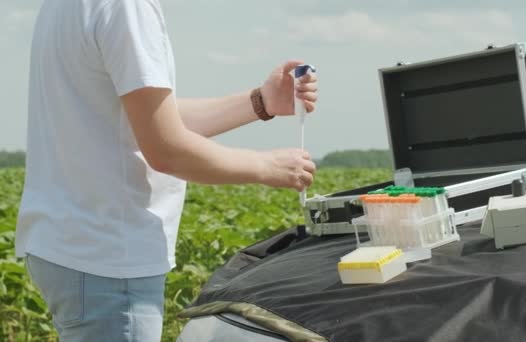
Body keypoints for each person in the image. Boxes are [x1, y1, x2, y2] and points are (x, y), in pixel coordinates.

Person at [14, 0, 318, 341]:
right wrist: (267, 165)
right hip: (110, 259)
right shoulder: (129, 6)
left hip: (71, 246)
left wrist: (260, 102)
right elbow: (165, 148)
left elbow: (142, 118)